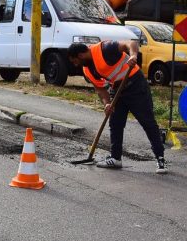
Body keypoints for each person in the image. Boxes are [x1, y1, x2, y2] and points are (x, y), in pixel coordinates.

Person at [68, 40, 167, 174]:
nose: (75, 65)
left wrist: (133, 56)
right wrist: (107, 103)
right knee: (115, 123)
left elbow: (131, 43)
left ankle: (160, 158)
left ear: (80, 55)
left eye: (75, 61)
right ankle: (115, 158)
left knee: (147, 122)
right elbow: (101, 90)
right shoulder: (87, 70)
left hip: (136, 85)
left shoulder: (105, 48)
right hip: (117, 90)